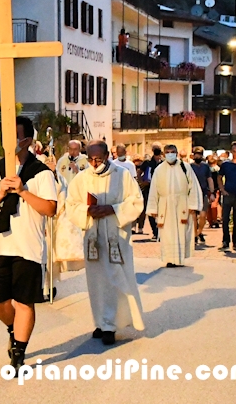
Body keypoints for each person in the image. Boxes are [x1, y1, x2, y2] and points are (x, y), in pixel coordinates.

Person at [0, 116, 58, 375]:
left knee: (24, 301)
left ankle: (19, 355)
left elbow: (50, 208)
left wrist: (23, 191)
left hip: (28, 247)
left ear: (27, 140)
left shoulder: (41, 172)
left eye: (16, 135)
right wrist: (1, 192)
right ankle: (13, 330)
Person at [66, 141, 145, 345]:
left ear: (107, 156)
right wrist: (87, 211)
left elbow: (135, 201)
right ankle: (101, 322)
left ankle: (112, 324)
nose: (94, 163)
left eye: (98, 159)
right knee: (96, 281)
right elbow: (71, 204)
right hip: (93, 236)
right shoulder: (82, 178)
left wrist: (113, 209)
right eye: (91, 159)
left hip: (115, 236)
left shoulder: (122, 175)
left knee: (115, 279)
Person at [146, 144, 201, 267]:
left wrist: (193, 205)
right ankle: (169, 259)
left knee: (182, 231)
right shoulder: (159, 170)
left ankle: (180, 258)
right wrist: (153, 208)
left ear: (176, 153)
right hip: (164, 206)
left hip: (182, 204)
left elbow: (193, 187)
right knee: (167, 233)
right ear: (164, 154)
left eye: (173, 152)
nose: (170, 154)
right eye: (168, 152)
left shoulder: (185, 167)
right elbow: (154, 189)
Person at [139, 143, 164, 240]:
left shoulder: (163, 162)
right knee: (151, 210)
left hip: (161, 189)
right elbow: (139, 172)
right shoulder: (148, 162)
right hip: (149, 189)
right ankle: (155, 232)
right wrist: (142, 181)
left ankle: (161, 231)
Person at [190, 147, 214, 245]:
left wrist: (212, 192)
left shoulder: (205, 167)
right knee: (193, 216)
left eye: (199, 154)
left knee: (203, 215)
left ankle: (200, 231)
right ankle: (195, 235)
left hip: (203, 193)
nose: (198, 156)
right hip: (192, 193)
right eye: (196, 154)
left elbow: (209, 179)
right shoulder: (190, 166)